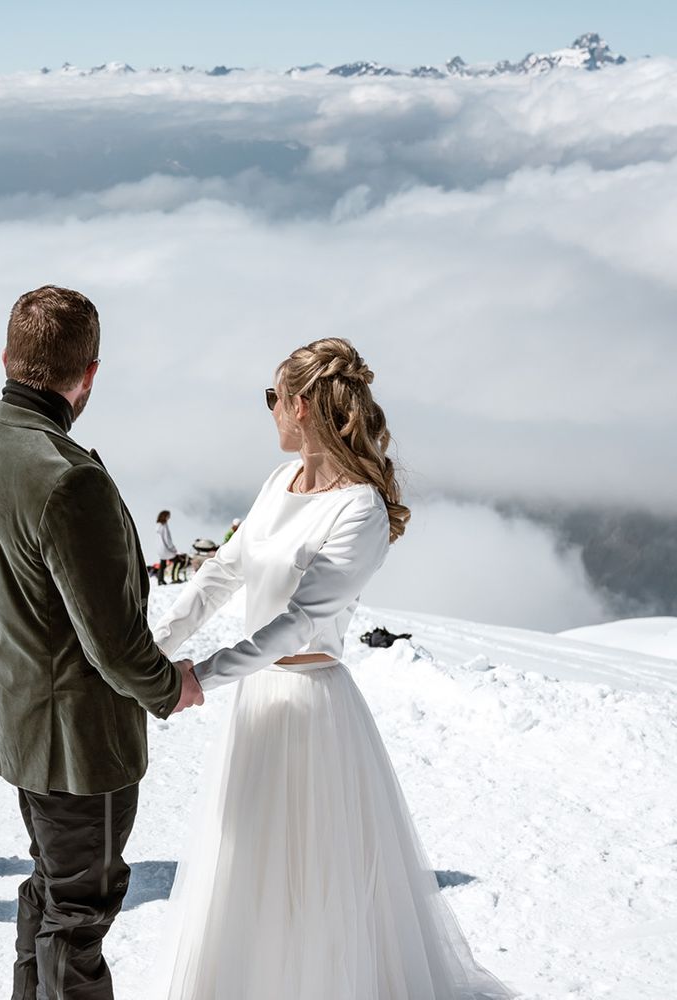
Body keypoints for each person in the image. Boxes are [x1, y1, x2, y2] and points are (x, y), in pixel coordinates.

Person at [152, 338, 514, 999]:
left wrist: (201, 675)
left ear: (300, 406)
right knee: (248, 873)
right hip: (257, 704)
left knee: (313, 881)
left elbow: (299, 622)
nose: (269, 409)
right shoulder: (277, 482)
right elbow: (223, 572)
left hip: (311, 710)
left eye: (272, 397)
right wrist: (155, 646)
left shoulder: (360, 509)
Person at [0, 284, 203, 1000]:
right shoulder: (68, 477)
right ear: (89, 373)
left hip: (22, 722)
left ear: (7, 357)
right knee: (79, 913)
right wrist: (170, 686)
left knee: (51, 888)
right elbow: (112, 644)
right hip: (81, 745)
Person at [156, 510, 179, 585]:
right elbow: (167, 539)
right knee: (177, 560)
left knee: (162, 564)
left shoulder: (158, 525)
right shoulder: (164, 525)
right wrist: (173, 549)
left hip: (160, 549)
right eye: (168, 516)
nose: (169, 517)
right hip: (166, 548)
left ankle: (160, 580)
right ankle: (175, 578)